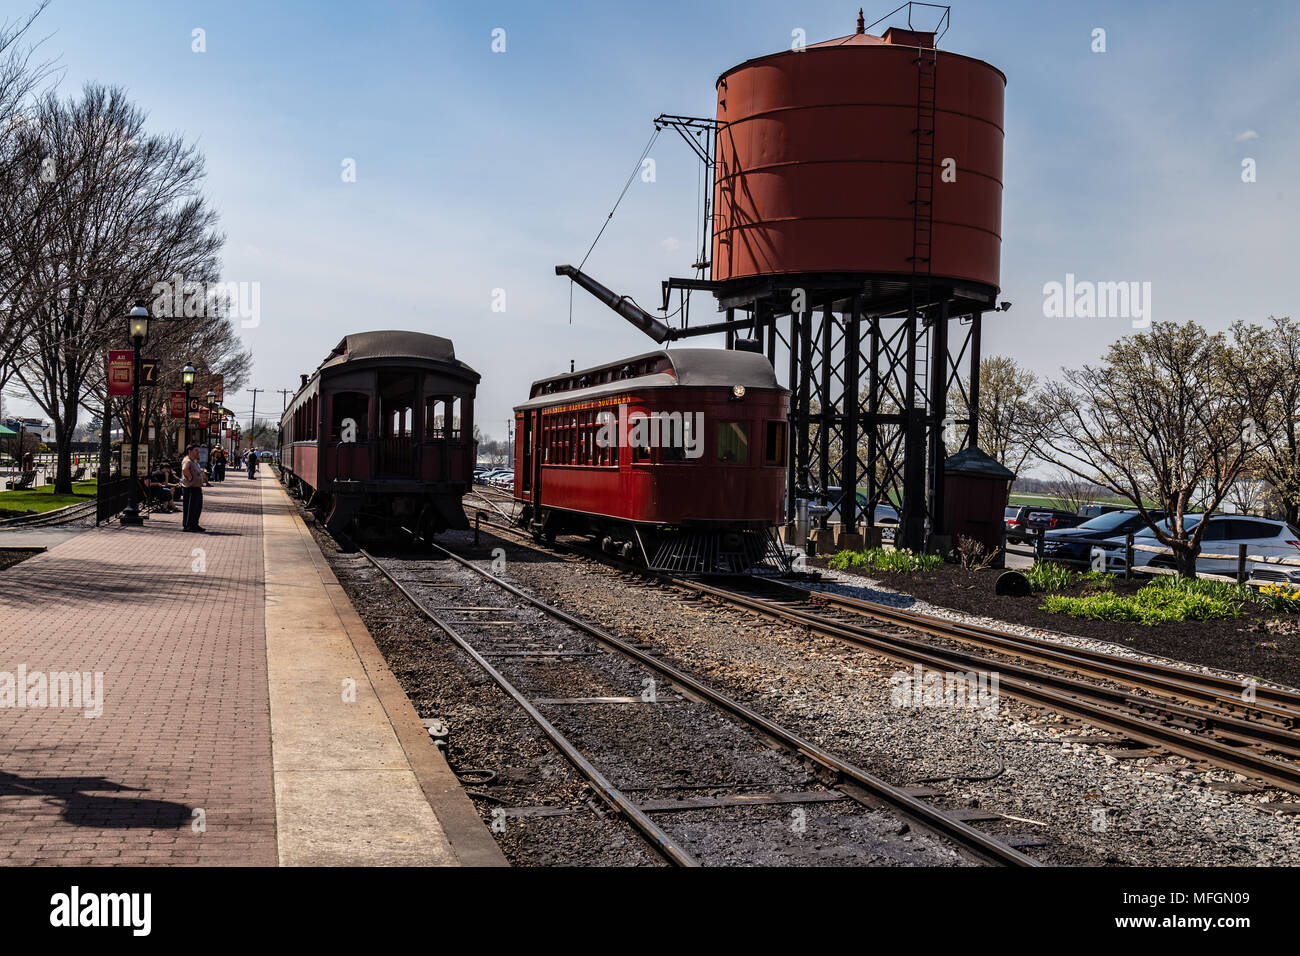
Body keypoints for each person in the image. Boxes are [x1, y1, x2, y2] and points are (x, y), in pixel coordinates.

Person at [180, 443, 208, 532]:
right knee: (190, 508)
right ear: (190, 451)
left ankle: (194, 524)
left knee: (197, 508)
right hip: (190, 488)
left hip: (197, 488)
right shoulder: (187, 461)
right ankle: (188, 525)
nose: (198, 452)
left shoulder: (194, 461)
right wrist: (190, 477)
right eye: (196, 450)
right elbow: (185, 469)